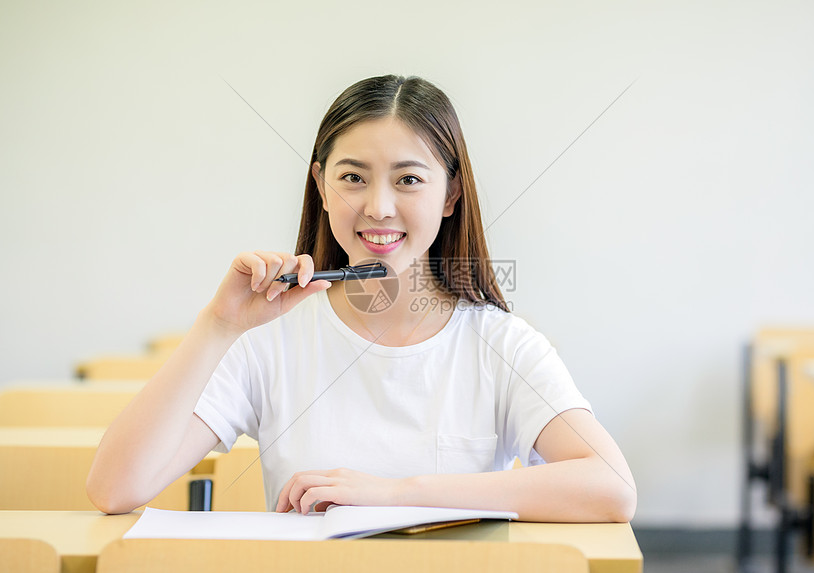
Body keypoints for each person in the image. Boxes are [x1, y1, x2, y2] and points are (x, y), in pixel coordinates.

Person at [87, 75, 636, 522]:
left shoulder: (504, 344)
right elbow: (115, 489)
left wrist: (395, 494)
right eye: (353, 177)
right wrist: (219, 324)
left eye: (409, 180)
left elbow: (611, 488)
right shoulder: (267, 339)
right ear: (322, 187)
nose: (377, 207)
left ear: (451, 195)